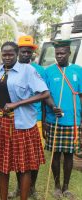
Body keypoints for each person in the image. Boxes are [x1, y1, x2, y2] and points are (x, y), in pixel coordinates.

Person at [0, 41, 49, 200]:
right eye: (4, 54)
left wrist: (17, 103)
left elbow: (44, 93)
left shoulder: (27, 70)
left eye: (11, 54)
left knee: (24, 166)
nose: (7, 57)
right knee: (2, 165)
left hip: (21, 124)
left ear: (17, 54)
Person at [43, 40, 82, 199]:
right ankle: (57, 186)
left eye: (62, 53)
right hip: (54, 120)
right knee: (55, 155)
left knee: (69, 154)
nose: (59, 56)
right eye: (57, 53)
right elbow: (44, 95)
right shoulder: (49, 71)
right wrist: (51, 109)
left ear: (69, 53)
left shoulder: (78, 70)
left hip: (73, 120)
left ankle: (66, 187)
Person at [8, 36, 46, 200]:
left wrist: (49, 112)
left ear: (33, 53)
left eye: (28, 52)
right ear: (18, 52)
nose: (25, 54)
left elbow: (45, 94)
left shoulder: (38, 70)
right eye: (23, 51)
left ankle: (32, 188)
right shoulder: (9, 69)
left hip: (35, 118)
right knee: (19, 157)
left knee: (33, 158)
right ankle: (19, 187)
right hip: (16, 120)